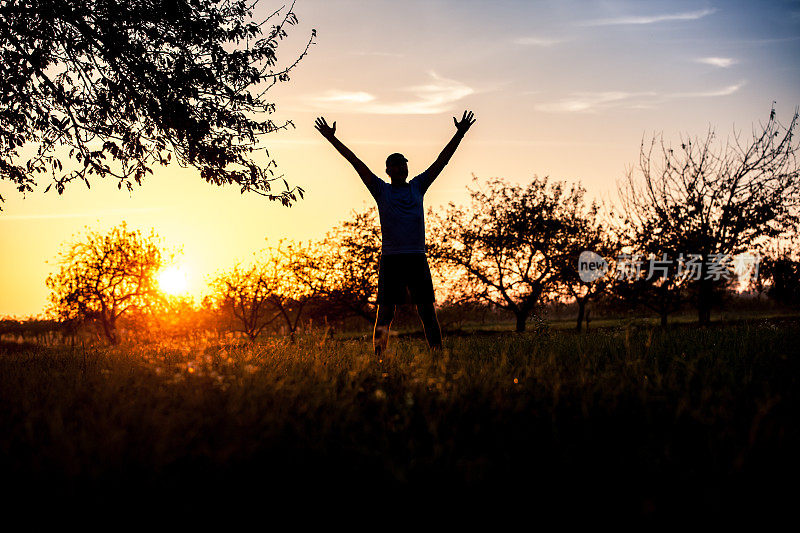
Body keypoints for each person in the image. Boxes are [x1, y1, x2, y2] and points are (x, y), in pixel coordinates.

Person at [315, 110, 476, 358]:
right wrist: (331, 138)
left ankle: (438, 358)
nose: (402, 166)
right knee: (386, 314)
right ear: (389, 170)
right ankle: (379, 360)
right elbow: (355, 162)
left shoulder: (418, 187)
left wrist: (460, 133)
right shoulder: (381, 190)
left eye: (405, 163)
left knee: (427, 313)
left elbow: (441, 161)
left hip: (416, 258)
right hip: (391, 259)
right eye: (397, 163)